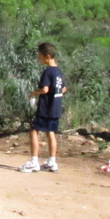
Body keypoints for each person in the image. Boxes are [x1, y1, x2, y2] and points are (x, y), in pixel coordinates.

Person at [19, 42, 68, 173]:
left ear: (46, 56)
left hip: (46, 108)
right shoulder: (59, 71)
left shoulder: (48, 72)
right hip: (56, 108)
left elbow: (45, 89)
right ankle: (52, 162)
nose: (38, 58)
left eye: (39, 56)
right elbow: (64, 88)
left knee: (33, 131)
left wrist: (34, 93)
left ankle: (34, 162)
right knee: (50, 133)